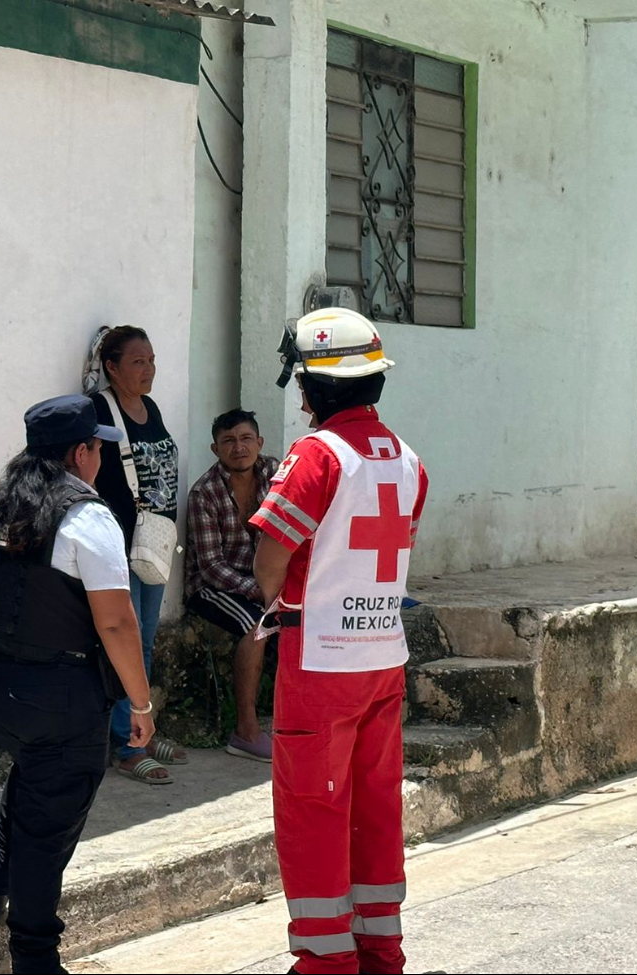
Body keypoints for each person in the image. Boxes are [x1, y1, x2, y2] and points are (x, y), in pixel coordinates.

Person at [251, 308, 429, 975]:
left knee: (314, 812)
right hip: (383, 657)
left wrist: (279, 600)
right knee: (375, 810)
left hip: (319, 663)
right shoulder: (409, 462)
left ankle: (326, 963)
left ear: (310, 388)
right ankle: (380, 951)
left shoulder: (316, 457)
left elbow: (272, 558)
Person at [0, 395, 156, 974]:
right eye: (96, 448)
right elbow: (117, 621)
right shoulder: (86, 517)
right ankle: (35, 959)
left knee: (39, 774)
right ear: (81, 452)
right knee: (50, 823)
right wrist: (140, 703)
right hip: (57, 696)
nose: (99, 460)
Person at [88, 326, 185, 784]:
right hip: (119, 543)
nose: (148, 370)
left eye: (151, 360)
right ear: (111, 367)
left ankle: (141, 730)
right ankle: (127, 743)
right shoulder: (99, 411)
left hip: (155, 541)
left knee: (145, 637)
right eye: (137, 362)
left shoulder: (152, 408)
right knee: (124, 638)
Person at [186, 408, 279, 761]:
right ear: (215, 449)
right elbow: (211, 567)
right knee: (257, 626)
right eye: (228, 441)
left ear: (259, 442)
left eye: (244, 439)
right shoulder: (204, 494)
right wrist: (262, 590)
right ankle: (246, 731)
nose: (238, 448)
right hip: (213, 587)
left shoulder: (276, 474)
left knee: (304, 621)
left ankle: (298, 721)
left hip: (266, 579)